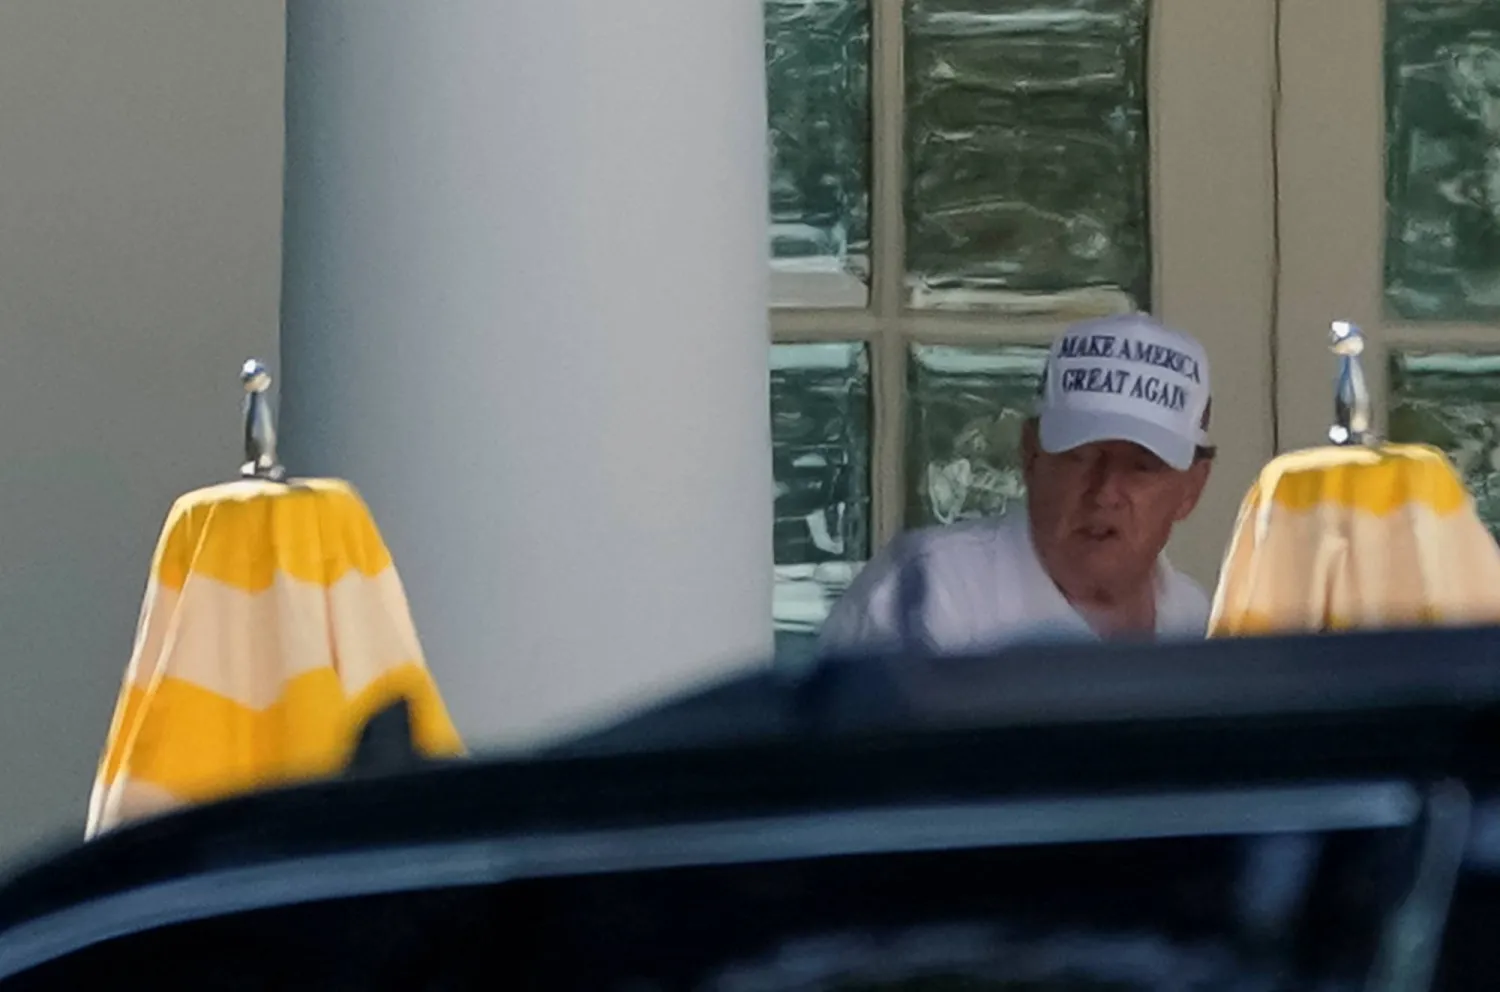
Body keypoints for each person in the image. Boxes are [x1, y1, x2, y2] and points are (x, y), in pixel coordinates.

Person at [820, 313, 1215, 655]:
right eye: (1082, 455)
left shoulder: (1197, 620)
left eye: (1141, 466)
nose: (1106, 491)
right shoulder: (925, 596)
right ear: (1030, 454)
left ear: (1192, 489)